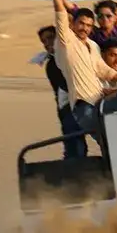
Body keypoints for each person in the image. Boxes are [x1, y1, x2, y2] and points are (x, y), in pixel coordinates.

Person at [44, 0, 117, 145]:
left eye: (89, 25)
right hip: (83, 106)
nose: (85, 28)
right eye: (81, 24)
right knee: (111, 144)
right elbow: (60, 10)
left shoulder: (92, 45)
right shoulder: (66, 42)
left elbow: (102, 69)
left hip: (99, 103)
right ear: (73, 24)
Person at [33, 25, 88, 159]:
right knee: (75, 148)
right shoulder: (52, 64)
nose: (47, 43)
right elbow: (62, 90)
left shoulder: (72, 54)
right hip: (69, 108)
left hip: (86, 102)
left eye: (50, 38)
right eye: (44, 41)